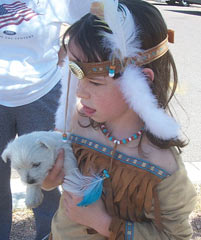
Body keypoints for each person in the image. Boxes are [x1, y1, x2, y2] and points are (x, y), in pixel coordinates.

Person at [42, 0, 197, 239]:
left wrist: (105, 223)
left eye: (95, 82)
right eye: (74, 73)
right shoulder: (77, 123)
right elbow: (54, 179)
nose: (80, 92)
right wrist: (48, 179)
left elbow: (176, 236)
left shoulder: (163, 165)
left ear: (141, 82)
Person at [0, 0, 81, 239]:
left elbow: (98, 16)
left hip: (42, 92)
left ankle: (50, 235)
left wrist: (70, 50)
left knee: (49, 178)